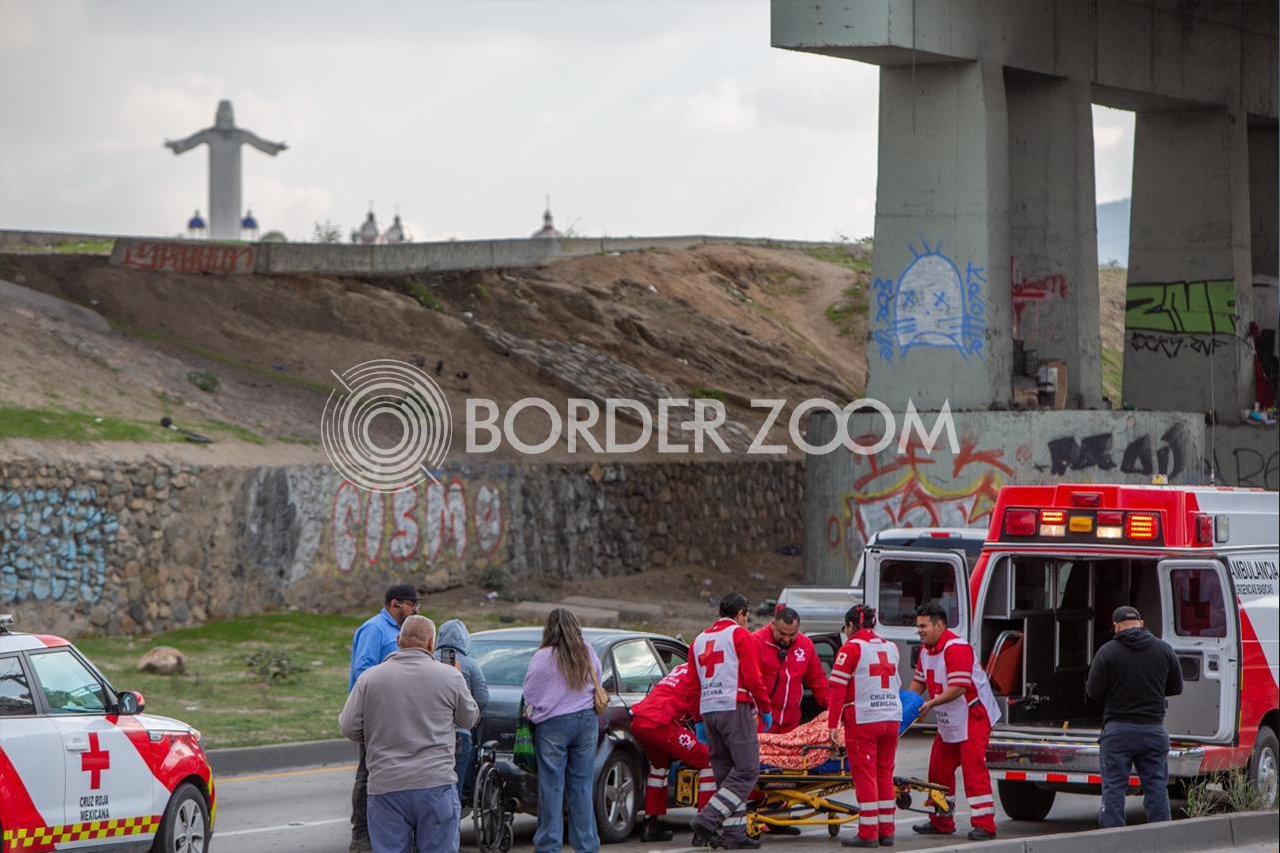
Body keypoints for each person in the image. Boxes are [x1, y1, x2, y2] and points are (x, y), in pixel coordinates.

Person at [339, 615, 479, 853]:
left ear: (398, 640)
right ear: (431, 644)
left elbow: (349, 726)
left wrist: (375, 734)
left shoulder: (370, 678)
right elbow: (469, 719)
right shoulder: (450, 676)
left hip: (386, 784)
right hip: (435, 782)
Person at [908, 603, 1001, 841]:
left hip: (973, 716)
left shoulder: (956, 648)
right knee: (938, 768)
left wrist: (929, 705)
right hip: (950, 718)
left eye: (923, 626)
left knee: (973, 769)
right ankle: (941, 821)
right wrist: (905, 705)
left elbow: (959, 688)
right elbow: (919, 683)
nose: (919, 631)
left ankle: (985, 825)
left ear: (939, 625)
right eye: (918, 626)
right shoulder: (926, 651)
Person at [1086, 605, 1183, 828]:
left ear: (1116, 626)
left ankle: (1112, 838)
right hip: (1153, 730)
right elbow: (1176, 687)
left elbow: (1093, 691)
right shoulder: (1164, 650)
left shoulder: (1107, 652)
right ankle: (1161, 835)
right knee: (1156, 788)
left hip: (1118, 731)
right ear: (1141, 623)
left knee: (1113, 788)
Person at [689, 592, 772, 850]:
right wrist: (765, 708)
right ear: (740, 614)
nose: (746, 620)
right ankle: (707, 819)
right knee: (747, 770)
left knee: (726, 776)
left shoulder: (699, 640)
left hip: (709, 710)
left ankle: (734, 834)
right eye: (747, 615)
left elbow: (692, 684)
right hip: (734, 707)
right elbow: (753, 676)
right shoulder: (740, 635)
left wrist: (698, 719)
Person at [522, 608, 603, 853]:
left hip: (553, 724)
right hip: (586, 721)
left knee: (551, 787)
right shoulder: (587, 650)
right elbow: (598, 679)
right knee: (582, 787)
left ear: (549, 629)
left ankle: (549, 845)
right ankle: (587, 846)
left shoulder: (543, 656)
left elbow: (530, 693)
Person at [349, 584, 422, 853]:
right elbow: (363, 672)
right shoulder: (375, 629)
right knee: (369, 772)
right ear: (395, 604)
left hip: (401, 713)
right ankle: (361, 835)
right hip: (375, 713)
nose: (415, 610)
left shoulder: (403, 631)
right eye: (412, 604)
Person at [827, 604, 902, 848]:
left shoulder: (851, 648)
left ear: (850, 625)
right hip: (892, 718)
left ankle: (868, 832)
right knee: (884, 774)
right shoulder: (891, 647)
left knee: (865, 775)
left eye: (846, 628)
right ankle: (886, 831)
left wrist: (832, 725)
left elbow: (837, 689)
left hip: (864, 719)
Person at [630, 661, 717, 842]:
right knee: (708, 761)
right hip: (662, 723)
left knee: (659, 767)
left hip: (640, 721)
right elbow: (697, 703)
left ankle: (650, 825)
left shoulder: (680, 668)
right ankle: (703, 828)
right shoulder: (705, 672)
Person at [436, 619, 490, 806]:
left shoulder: (429, 660)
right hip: (460, 733)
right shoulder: (470, 665)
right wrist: (472, 716)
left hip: (430, 733)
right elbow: (482, 698)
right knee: (455, 787)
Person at [753, 607, 829, 735]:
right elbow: (748, 680)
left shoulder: (806, 645)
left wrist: (832, 707)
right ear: (773, 625)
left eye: (792, 635)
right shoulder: (756, 641)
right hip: (762, 720)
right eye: (782, 634)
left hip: (792, 722)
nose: (786, 639)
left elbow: (818, 680)